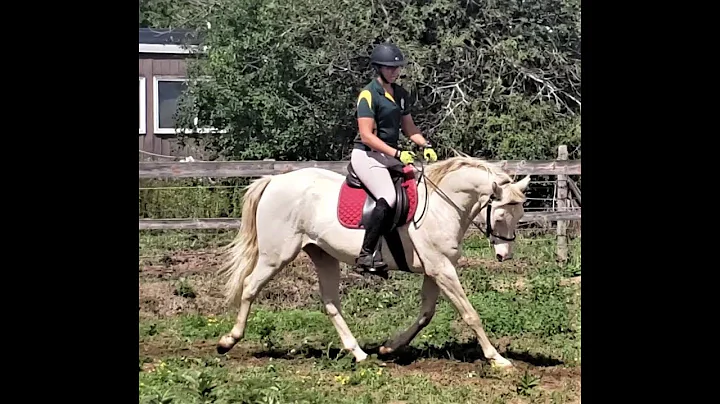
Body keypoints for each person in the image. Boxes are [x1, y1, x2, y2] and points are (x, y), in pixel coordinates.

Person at [351, 42, 438, 277]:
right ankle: (366, 253)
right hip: (367, 155)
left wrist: (425, 145)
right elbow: (367, 136)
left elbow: (409, 128)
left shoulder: (400, 94)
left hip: (388, 156)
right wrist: (397, 154)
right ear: (378, 68)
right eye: (390, 68)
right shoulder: (368, 94)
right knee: (388, 196)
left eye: (397, 68)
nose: (395, 71)